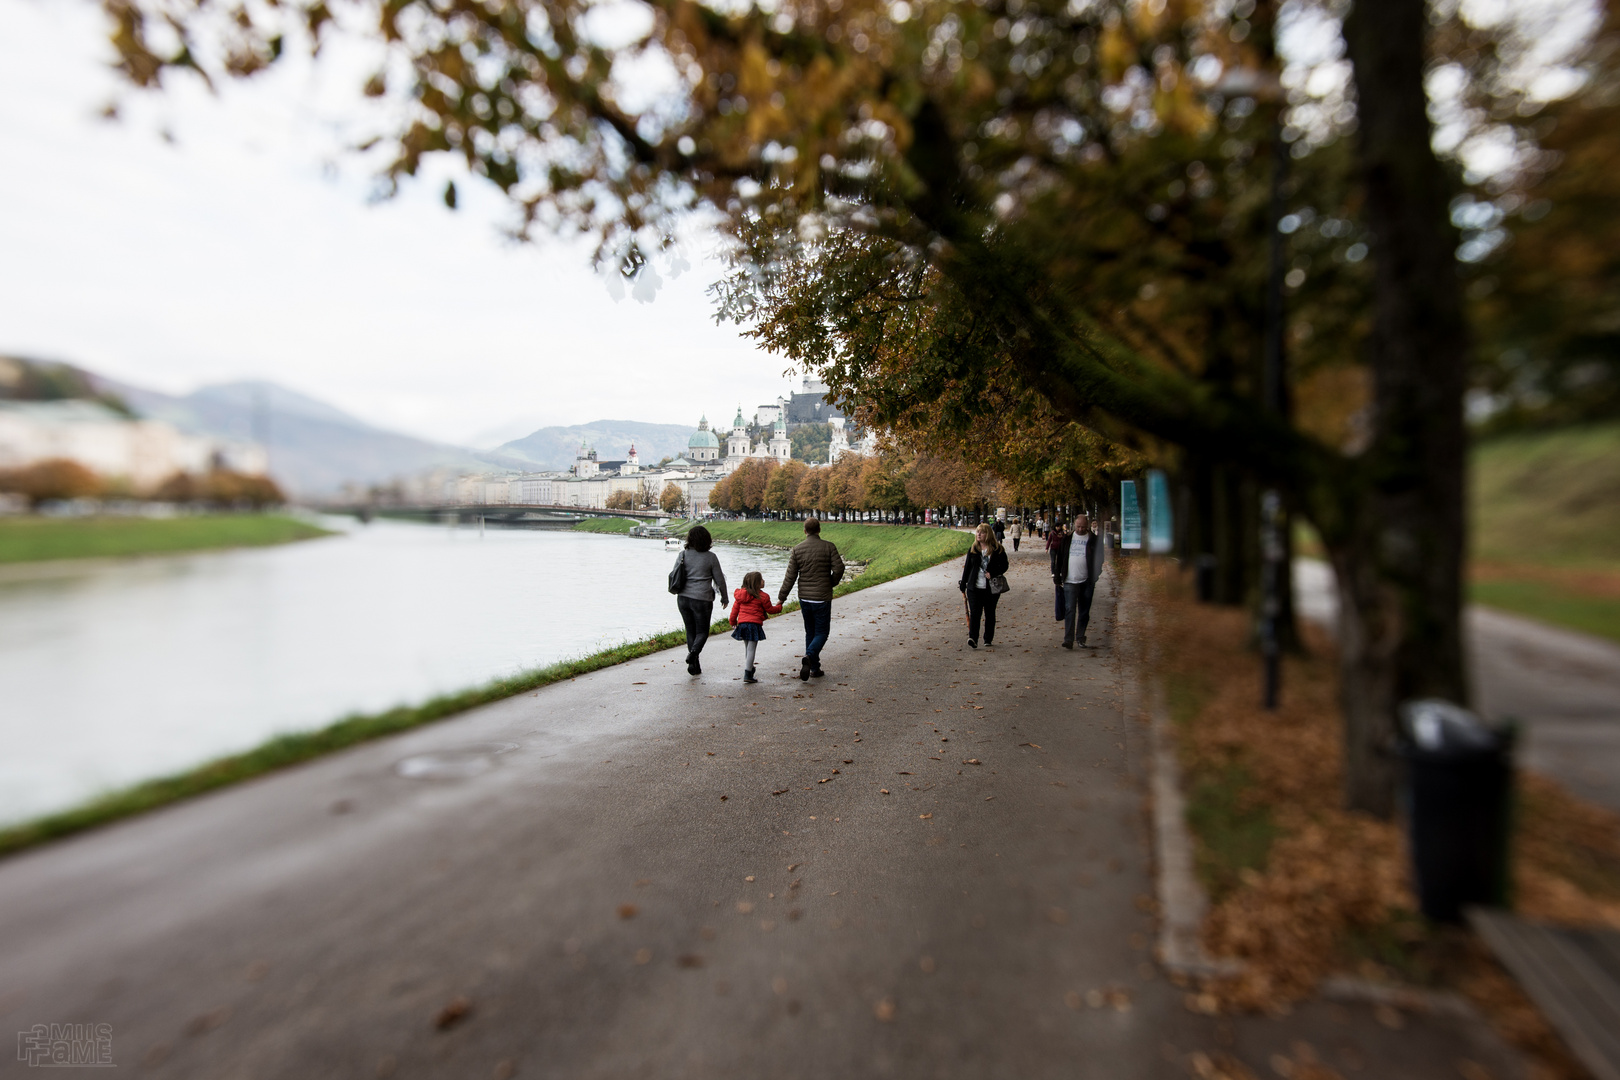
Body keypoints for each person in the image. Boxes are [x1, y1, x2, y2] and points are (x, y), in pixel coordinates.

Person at [778, 518, 845, 681]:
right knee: (822, 632)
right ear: (819, 529)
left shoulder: (797, 549)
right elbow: (839, 567)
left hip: (805, 598)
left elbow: (790, 577)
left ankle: (814, 667)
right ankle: (810, 656)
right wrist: (832, 582)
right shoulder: (829, 547)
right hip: (822, 597)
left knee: (810, 631)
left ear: (804, 531)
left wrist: (781, 598)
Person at [675, 525, 728, 675]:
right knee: (703, 631)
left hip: (683, 598)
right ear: (707, 540)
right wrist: (725, 597)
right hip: (702, 599)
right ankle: (693, 654)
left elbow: (674, 574)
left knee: (690, 631)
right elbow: (720, 580)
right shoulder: (711, 557)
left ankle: (694, 666)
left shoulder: (682, 555)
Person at [1051, 512, 1104, 649]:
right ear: (1074, 525)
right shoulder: (1067, 539)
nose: (1081, 529)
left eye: (1083, 527)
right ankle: (1068, 639)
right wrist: (1057, 576)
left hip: (1087, 580)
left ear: (1088, 526)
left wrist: (1096, 574)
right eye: (1078, 526)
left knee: (1084, 610)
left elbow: (1100, 558)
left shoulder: (1093, 540)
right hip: (1070, 579)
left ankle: (1080, 637)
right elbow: (1060, 558)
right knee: (1069, 609)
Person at [958, 522, 1009, 649]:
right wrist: (963, 583)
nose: (979, 534)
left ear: (988, 534)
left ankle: (988, 638)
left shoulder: (998, 550)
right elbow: (967, 567)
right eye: (977, 532)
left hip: (991, 588)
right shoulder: (973, 549)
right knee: (975, 613)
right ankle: (973, 638)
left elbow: (1005, 565)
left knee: (990, 613)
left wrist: (994, 573)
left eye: (982, 532)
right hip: (974, 588)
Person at [729, 571, 782, 684]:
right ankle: (748, 672)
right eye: (761, 579)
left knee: (747, 648)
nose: (764, 581)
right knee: (751, 649)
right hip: (754, 625)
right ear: (757, 583)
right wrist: (779, 606)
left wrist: (732, 621)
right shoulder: (762, 596)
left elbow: (734, 610)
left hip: (742, 624)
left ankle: (750, 668)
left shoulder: (740, 596)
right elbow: (770, 610)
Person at [1046, 519, 1068, 621]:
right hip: (1053, 549)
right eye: (1058, 526)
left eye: (1060, 526)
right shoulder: (1053, 533)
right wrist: (1047, 548)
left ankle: (1058, 571)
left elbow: (1065, 540)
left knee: (1059, 562)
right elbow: (1049, 540)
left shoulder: (1063, 533)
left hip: (1061, 549)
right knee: (1053, 562)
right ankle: (1053, 572)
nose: (1058, 528)